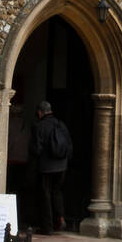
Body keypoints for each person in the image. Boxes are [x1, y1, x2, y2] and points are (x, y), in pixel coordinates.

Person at [29, 100, 73, 235]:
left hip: (46, 167)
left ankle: (47, 227)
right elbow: (69, 145)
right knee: (57, 192)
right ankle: (60, 218)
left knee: (45, 195)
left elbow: (36, 149)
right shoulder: (61, 124)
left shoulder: (39, 126)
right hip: (62, 166)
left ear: (40, 112)